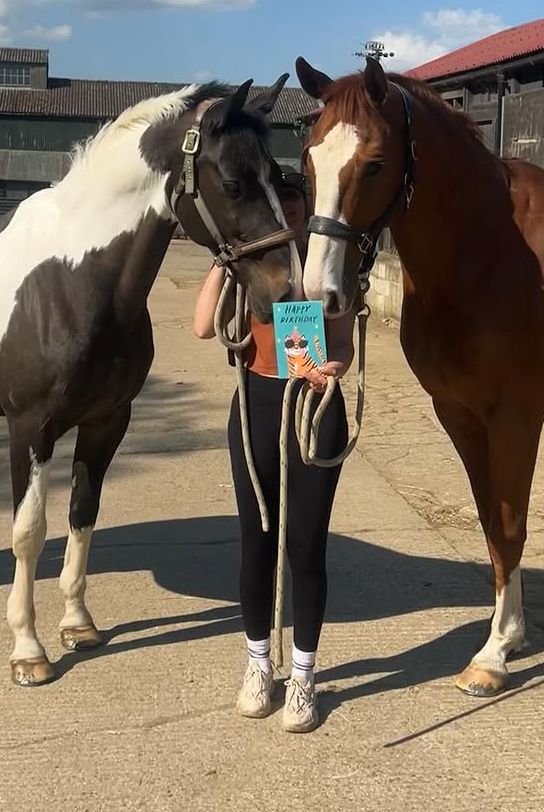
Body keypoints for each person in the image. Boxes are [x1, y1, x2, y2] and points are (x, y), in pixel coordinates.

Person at [192, 168, 356, 733]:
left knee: (306, 548)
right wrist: (222, 260)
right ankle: (259, 665)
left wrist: (332, 368)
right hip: (255, 406)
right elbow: (199, 327)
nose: (286, 221)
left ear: (306, 214)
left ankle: (305, 678)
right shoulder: (253, 270)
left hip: (313, 411)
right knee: (255, 544)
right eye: (277, 212)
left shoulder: (325, 272)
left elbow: (342, 346)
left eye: (294, 211)